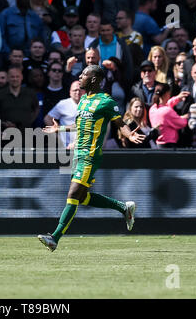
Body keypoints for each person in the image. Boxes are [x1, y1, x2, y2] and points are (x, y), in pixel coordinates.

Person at [37, 65, 145, 252]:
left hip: (90, 156)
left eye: (84, 74)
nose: (80, 76)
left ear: (94, 79)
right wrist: (59, 128)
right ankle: (123, 207)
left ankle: (55, 237)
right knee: (82, 196)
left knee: (72, 195)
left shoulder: (106, 101)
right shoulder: (84, 100)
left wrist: (129, 135)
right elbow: (79, 125)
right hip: (77, 154)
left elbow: (120, 123)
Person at [0, 65, 39, 131]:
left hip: (26, 132)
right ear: (7, 78)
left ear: (22, 77)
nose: (15, 79)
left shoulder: (31, 93)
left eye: (17, 76)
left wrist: (27, 123)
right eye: (12, 77)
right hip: (5, 133)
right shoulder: (0, 94)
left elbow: (36, 109)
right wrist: (3, 124)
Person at [148, 83, 190, 148]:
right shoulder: (167, 111)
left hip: (158, 144)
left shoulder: (153, 109)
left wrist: (177, 98)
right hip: (169, 145)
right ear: (167, 93)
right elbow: (182, 123)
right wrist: (185, 117)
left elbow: (165, 105)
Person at [44, 80, 83, 149]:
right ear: (70, 92)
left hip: (85, 147)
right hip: (65, 147)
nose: (78, 92)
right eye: (75, 90)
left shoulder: (89, 105)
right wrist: (58, 137)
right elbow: (47, 118)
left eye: (80, 90)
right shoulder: (63, 104)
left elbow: (81, 126)